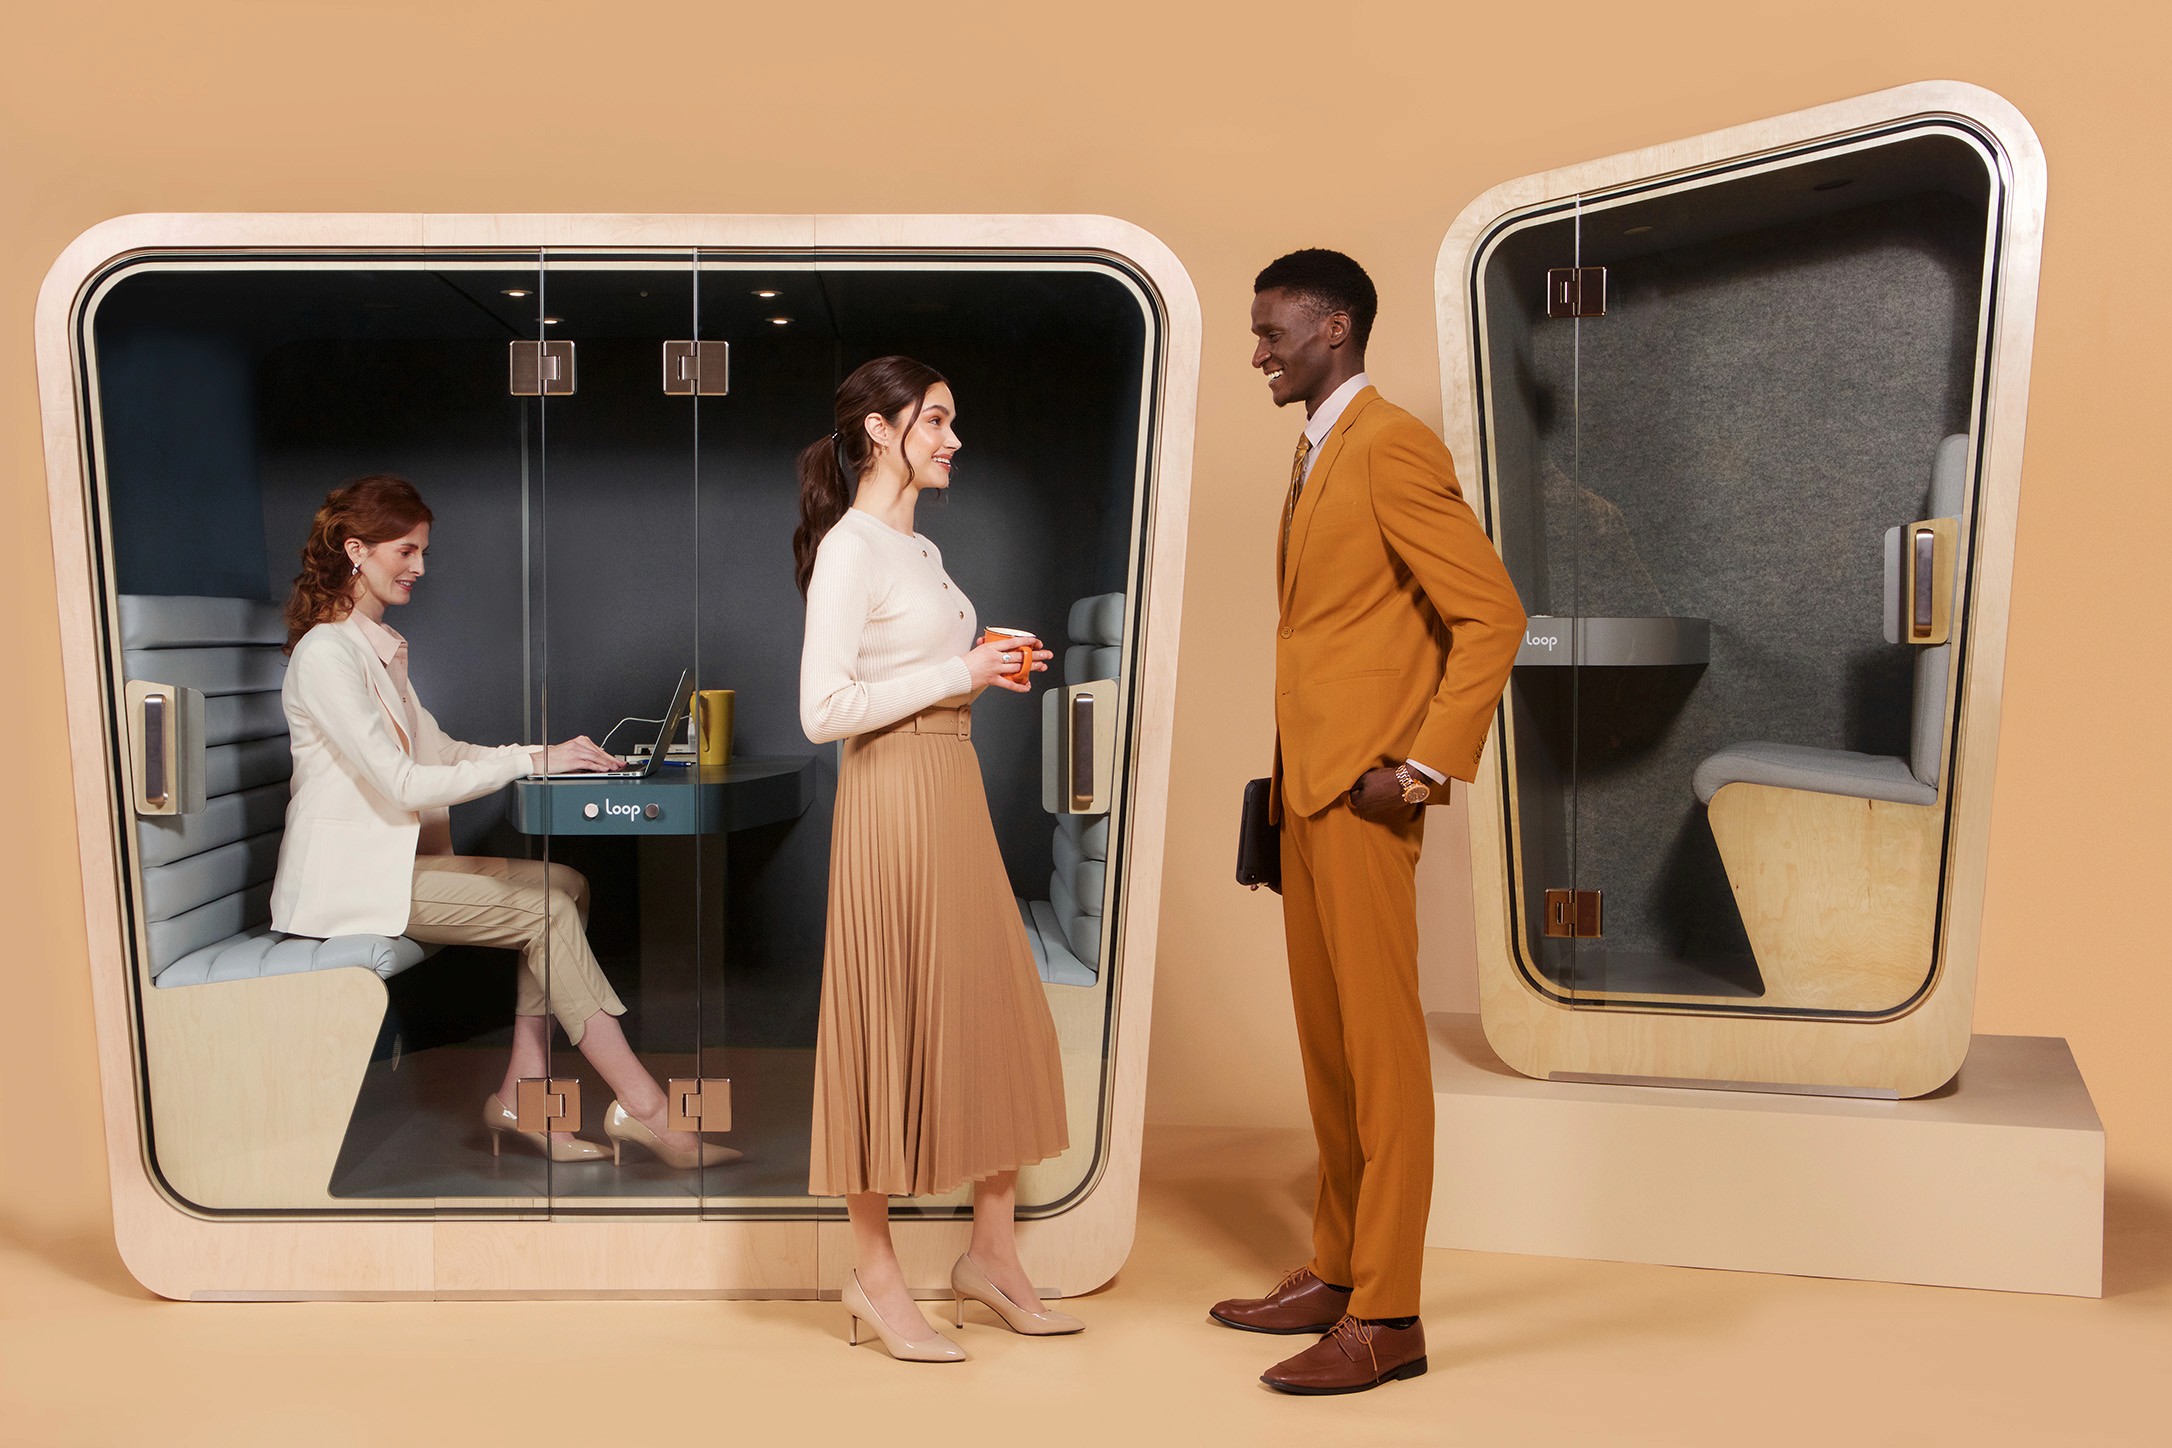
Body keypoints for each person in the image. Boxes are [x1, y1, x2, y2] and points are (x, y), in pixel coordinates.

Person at [1210, 251, 1526, 1394]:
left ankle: (1388, 1315)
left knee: (1385, 1062)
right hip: (1306, 795)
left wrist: (1426, 767)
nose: (1258, 352)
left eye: (1271, 331)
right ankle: (1339, 1269)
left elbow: (1491, 613)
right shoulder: (1316, 449)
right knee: (1332, 1055)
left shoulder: (1390, 442)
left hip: (1364, 793)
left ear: (1333, 326)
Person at [271, 474, 736, 1171]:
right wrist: (527, 758)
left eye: (423, 550)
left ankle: (526, 1094)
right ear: (355, 549)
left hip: (396, 869)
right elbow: (400, 783)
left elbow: (442, 752)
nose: (421, 567)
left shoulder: (378, 651)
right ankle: (647, 1111)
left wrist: (552, 758)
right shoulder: (325, 656)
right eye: (406, 551)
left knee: (566, 885)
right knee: (547, 914)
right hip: (352, 884)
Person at [795, 356, 1077, 1363]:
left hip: (946, 785)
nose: (955, 438)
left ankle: (990, 1253)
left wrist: (983, 658)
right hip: (893, 798)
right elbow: (823, 709)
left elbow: (912, 669)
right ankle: (874, 1275)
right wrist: (960, 667)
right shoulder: (852, 549)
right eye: (938, 420)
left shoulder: (922, 549)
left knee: (997, 1007)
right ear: (881, 428)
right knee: (892, 1017)